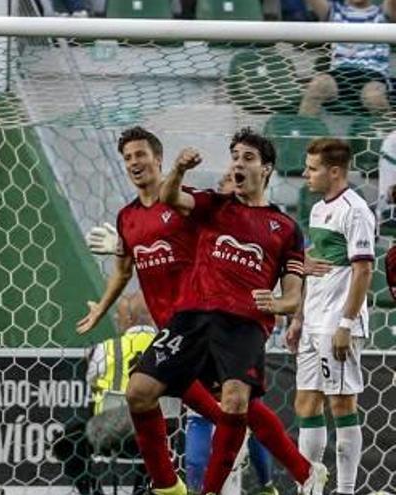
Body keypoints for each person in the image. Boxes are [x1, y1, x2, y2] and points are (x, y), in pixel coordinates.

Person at [78, 127, 318, 495]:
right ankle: (186, 484)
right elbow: (127, 268)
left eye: (140, 154)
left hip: (229, 321)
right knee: (167, 398)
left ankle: (283, 478)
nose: (133, 162)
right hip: (183, 324)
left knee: (237, 407)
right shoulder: (140, 216)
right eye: (127, 157)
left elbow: (289, 286)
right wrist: (108, 290)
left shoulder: (263, 223)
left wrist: (287, 303)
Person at [286, 138, 374, 495]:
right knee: (306, 403)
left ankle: (347, 490)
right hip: (313, 322)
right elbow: (314, 268)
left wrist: (346, 324)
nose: (306, 174)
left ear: (334, 171)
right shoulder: (319, 208)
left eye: (313, 168)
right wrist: (297, 318)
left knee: (341, 404)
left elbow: (364, 270)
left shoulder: (355, 210)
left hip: (338, 324)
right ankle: (309, 489)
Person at [184, 168, 278, 495]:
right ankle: (199, 488)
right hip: (200, 327)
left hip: (242, 333)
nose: (230, 182)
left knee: (241, 411)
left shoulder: (271, 226)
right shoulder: (208, 220)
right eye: (225, 180)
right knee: (203, 416)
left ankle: (266, 485)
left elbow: (291, 269)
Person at [56, 292, 156, 495]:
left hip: (110, 435)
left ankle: (92, 491)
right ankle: (143, 487)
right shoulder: (169, 347)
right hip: (158, 436)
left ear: (130, 319)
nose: (116, 320)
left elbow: (92, 381)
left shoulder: (104, 349)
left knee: (66, 443)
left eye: (118, 316)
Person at [299, 0, 395, 116]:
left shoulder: (383, 12)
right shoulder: (334, 11)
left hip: (373, 75)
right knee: (318, 85)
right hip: (340, 73)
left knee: (373, 97)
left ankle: (388, 131)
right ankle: (304, 130)